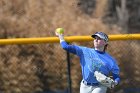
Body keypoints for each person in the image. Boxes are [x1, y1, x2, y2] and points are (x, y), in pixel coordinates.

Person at [55, 31, 120, 93]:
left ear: (105, 42)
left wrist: (115, 82)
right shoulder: (84, 51)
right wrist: (61, 37)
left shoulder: (110, 60)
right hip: (85, 85)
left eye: (99, 38)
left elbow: (116, 76)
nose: (96, 40)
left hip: (100, 86)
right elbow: (65, 46)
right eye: (95, 38)